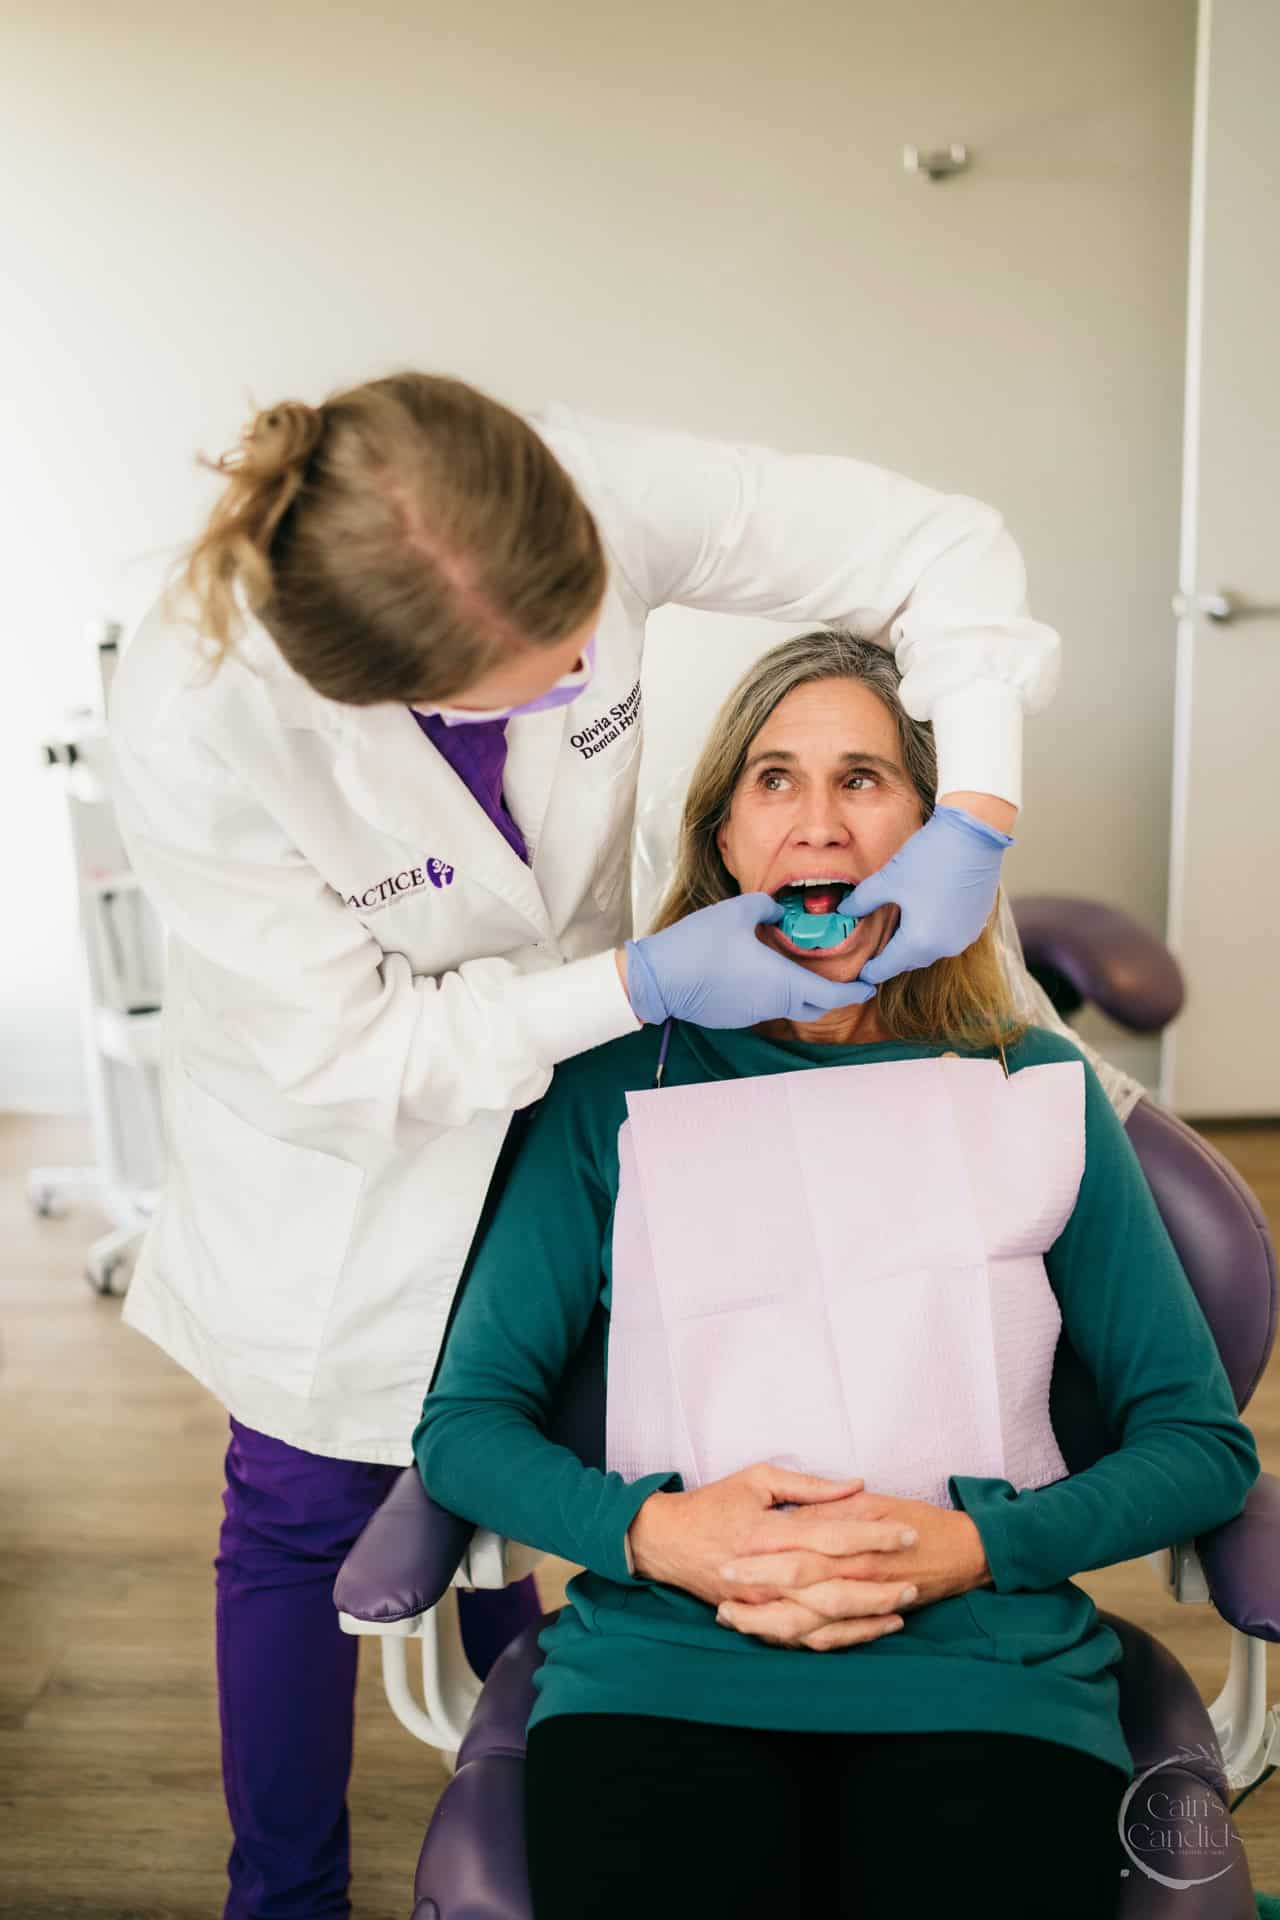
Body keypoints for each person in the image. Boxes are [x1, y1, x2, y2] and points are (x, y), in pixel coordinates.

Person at [108, 371, 1062, 1920]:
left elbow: (940, 543)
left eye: (588, 647)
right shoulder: (204, 723)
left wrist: (986, 811)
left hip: (579, 1086)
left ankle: (551, 1713)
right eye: (535, 686)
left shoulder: (583, 485)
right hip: (340, 1158)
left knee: (561, 1429)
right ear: (383, 694)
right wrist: (640, 980)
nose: (582, 677)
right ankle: (279, 1893)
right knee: (301, 1515)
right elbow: (348, 1052)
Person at [414, 628, 1260, 1920]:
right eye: (776, 779)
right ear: (724, 839)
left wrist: (976, 1547)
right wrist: (659, 1533)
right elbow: (464, 1428)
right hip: (665, 1662)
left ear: (939, 835)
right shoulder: (610, 1094)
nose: (818, 823)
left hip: (987, 1671)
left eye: (863, 778)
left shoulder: (1036, 1091)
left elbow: (1198, 1443)